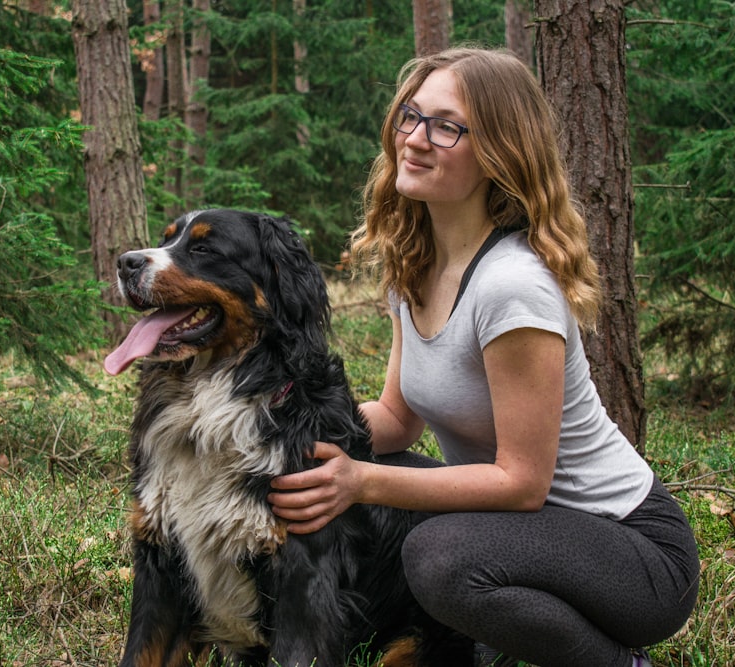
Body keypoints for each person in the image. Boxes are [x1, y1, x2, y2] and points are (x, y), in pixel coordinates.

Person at [267, 47, 699, 667]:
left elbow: (522, 483)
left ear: (500, 152)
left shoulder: (511, 285)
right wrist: (283, 437)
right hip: (523, 536)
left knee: (434, 552)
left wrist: (360, 481)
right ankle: (499, 638)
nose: (414, 140)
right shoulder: (416, 265)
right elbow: (394, 418)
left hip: (631, 553)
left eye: (447, 126)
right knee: (415, 513)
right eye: (410, 116)